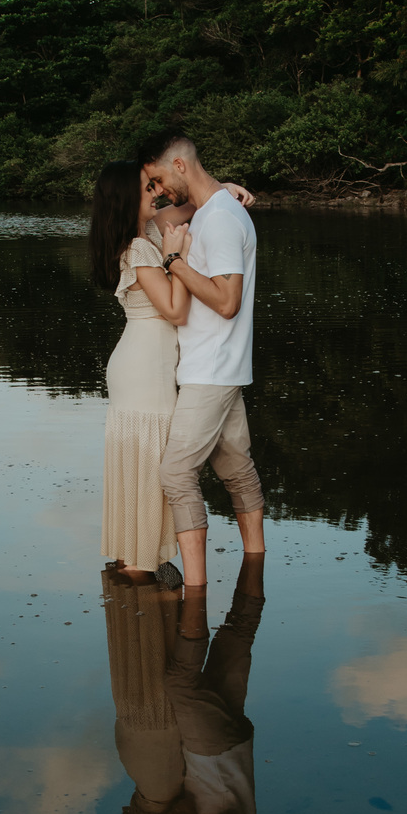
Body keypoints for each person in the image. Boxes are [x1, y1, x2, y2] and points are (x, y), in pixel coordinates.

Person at [88, 161, 254, 583]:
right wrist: (174, 258)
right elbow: (178, 311)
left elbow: (190, 207)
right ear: (128, 198)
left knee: (146, 461)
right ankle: (139, 564)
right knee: (154, 462)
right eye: (148, 189)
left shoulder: (142, 234)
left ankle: (136, 558)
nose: (157, 194)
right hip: (148, 365)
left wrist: (222, 189)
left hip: (141, 360)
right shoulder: (143, 247)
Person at [100, 555, 264, 814]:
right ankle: (185, 590)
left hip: (220, 755)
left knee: (227, 648)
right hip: (216, 757)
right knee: (187, 675)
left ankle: (240, 555)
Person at [140, 134, 265, 588]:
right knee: (236, 468)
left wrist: (174, 262)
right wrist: (222, 187)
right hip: (219, 366)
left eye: (157, 179)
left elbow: (227, 301)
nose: (157, 191)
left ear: (178, 164)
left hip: (211, 369)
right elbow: (153, 218)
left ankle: (195, 592)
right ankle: (256, 567)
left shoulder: (221, 220)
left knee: (175, 472)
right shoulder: (213, 211)